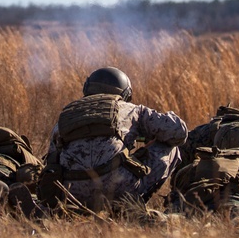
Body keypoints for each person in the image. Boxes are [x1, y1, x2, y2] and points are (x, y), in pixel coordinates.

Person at [40, 66, 188, 211]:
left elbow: (53, 159)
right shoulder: (132, 109)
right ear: (126, 94)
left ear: (87, 88)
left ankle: (67, 210)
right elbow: (178, 132)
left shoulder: (67, 114)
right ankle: (133, 207)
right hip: (118, 190)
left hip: (72, 193)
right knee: (170, 149)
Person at [167, 121, 239, 223]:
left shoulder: (192, 166)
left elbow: (176, 189)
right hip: (236, 205)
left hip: (194, 204)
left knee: (175, 216)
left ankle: (170, 218)